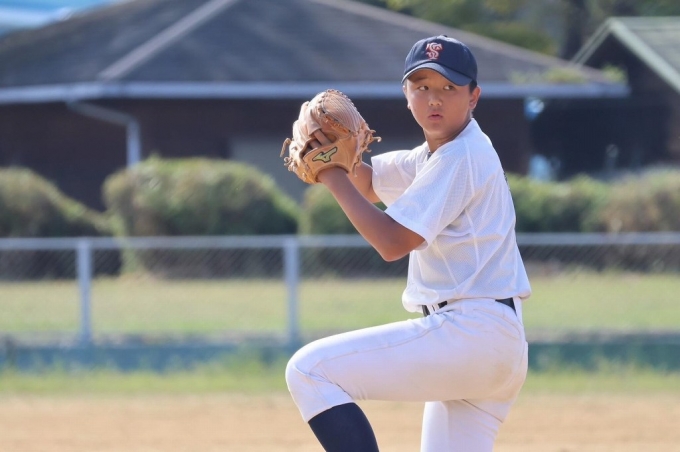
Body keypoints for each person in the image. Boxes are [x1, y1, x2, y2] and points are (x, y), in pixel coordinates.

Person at [285, 35, 531, 452]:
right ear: (406, 94)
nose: (434, 98)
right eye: (422, 86)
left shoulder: (462, 155)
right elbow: (367, 183)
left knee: (310, 371)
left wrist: (329, 172)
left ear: (473, 97)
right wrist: (338, 157)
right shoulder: (433, 156)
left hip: (470, 334)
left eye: (449, 87)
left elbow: (392, 242)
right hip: (487, 342)